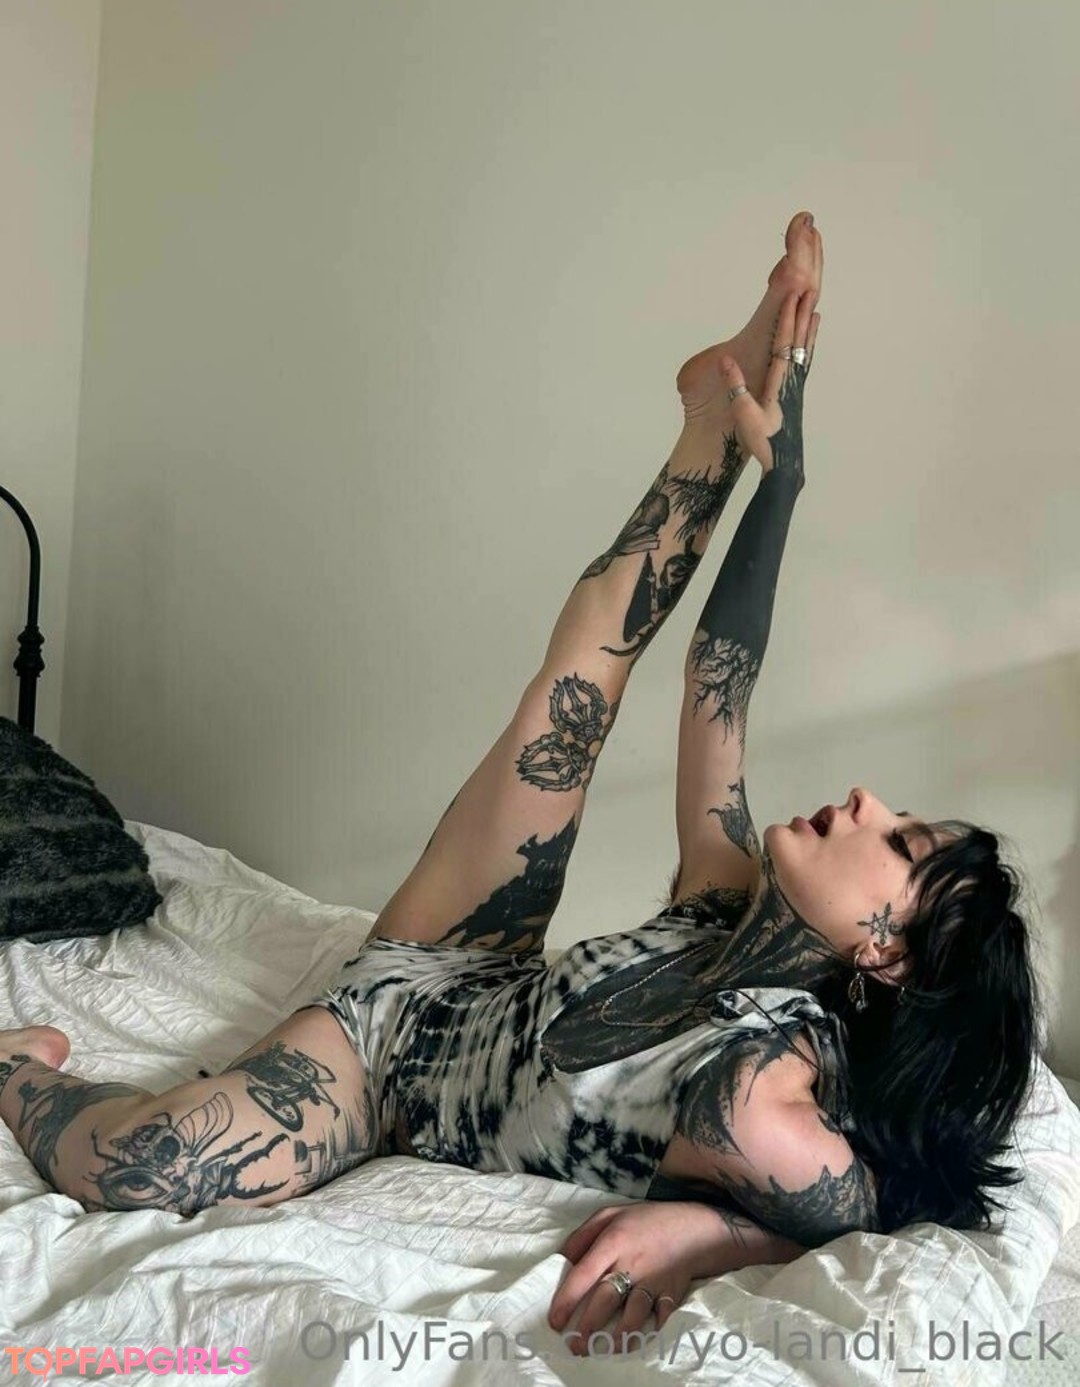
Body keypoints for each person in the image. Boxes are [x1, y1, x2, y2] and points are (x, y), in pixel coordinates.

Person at [0, 212, 1041, 1357]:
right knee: (581, 679)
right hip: (472, 949)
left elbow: (895, 1211)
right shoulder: (727, 895)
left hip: (383, 1068)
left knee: (139, 1164)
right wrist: (778, 476)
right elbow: (719, 678)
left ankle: (10, 1066)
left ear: (885, 951)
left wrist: (712, 1235)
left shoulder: (764, 1103)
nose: (867, 803)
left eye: (899, 843)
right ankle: (710, 421)